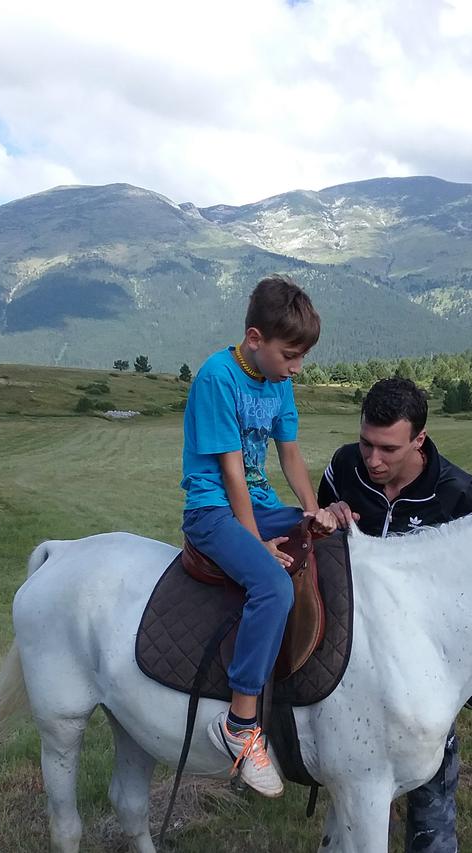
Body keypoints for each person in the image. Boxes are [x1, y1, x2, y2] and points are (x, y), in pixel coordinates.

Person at [181, 274, 336, 797]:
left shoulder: (279, 381)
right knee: (270, 584)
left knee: (329, 543)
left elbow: (288, 453)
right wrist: (256, 544)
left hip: (260, 504)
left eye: (302, 357)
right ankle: (240, 724)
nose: (297, 367)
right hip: (212, 510)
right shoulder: (217, 378)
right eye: (290, 355)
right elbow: (231, 474)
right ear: (254, 338)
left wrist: (312, 512)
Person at [319, 377, 472, 853]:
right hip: (353, 665)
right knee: (358, 786)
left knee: (431, 806)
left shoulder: (458, 495)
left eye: (388, 449)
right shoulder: (344, 467)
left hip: (424, 679)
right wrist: (327, 518)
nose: (373, 459)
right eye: (366, 443)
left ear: (419, 440)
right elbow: (319, 551)